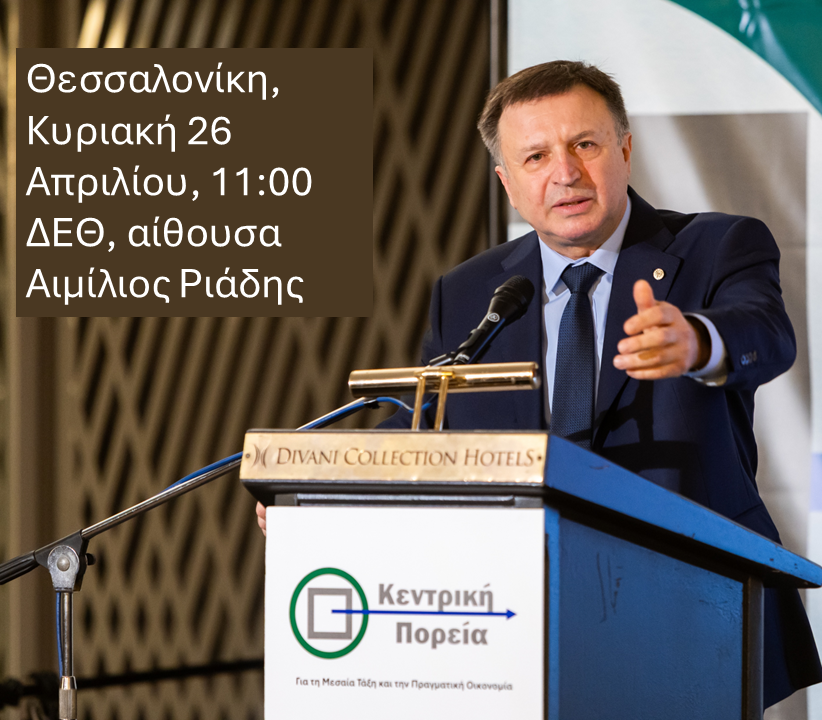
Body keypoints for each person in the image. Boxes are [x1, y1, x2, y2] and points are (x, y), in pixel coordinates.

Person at [257, 60, 821, 706]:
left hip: (695, 604)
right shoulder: (470, 291)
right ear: (507, 182)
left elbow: (765, 332)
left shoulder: (715, 246)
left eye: (585, 144)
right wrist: (320, 487)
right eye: (536, 156)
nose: (566, 173)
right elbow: (427, 423)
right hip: (523, 619)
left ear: (625, 150)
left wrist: (696, 339)